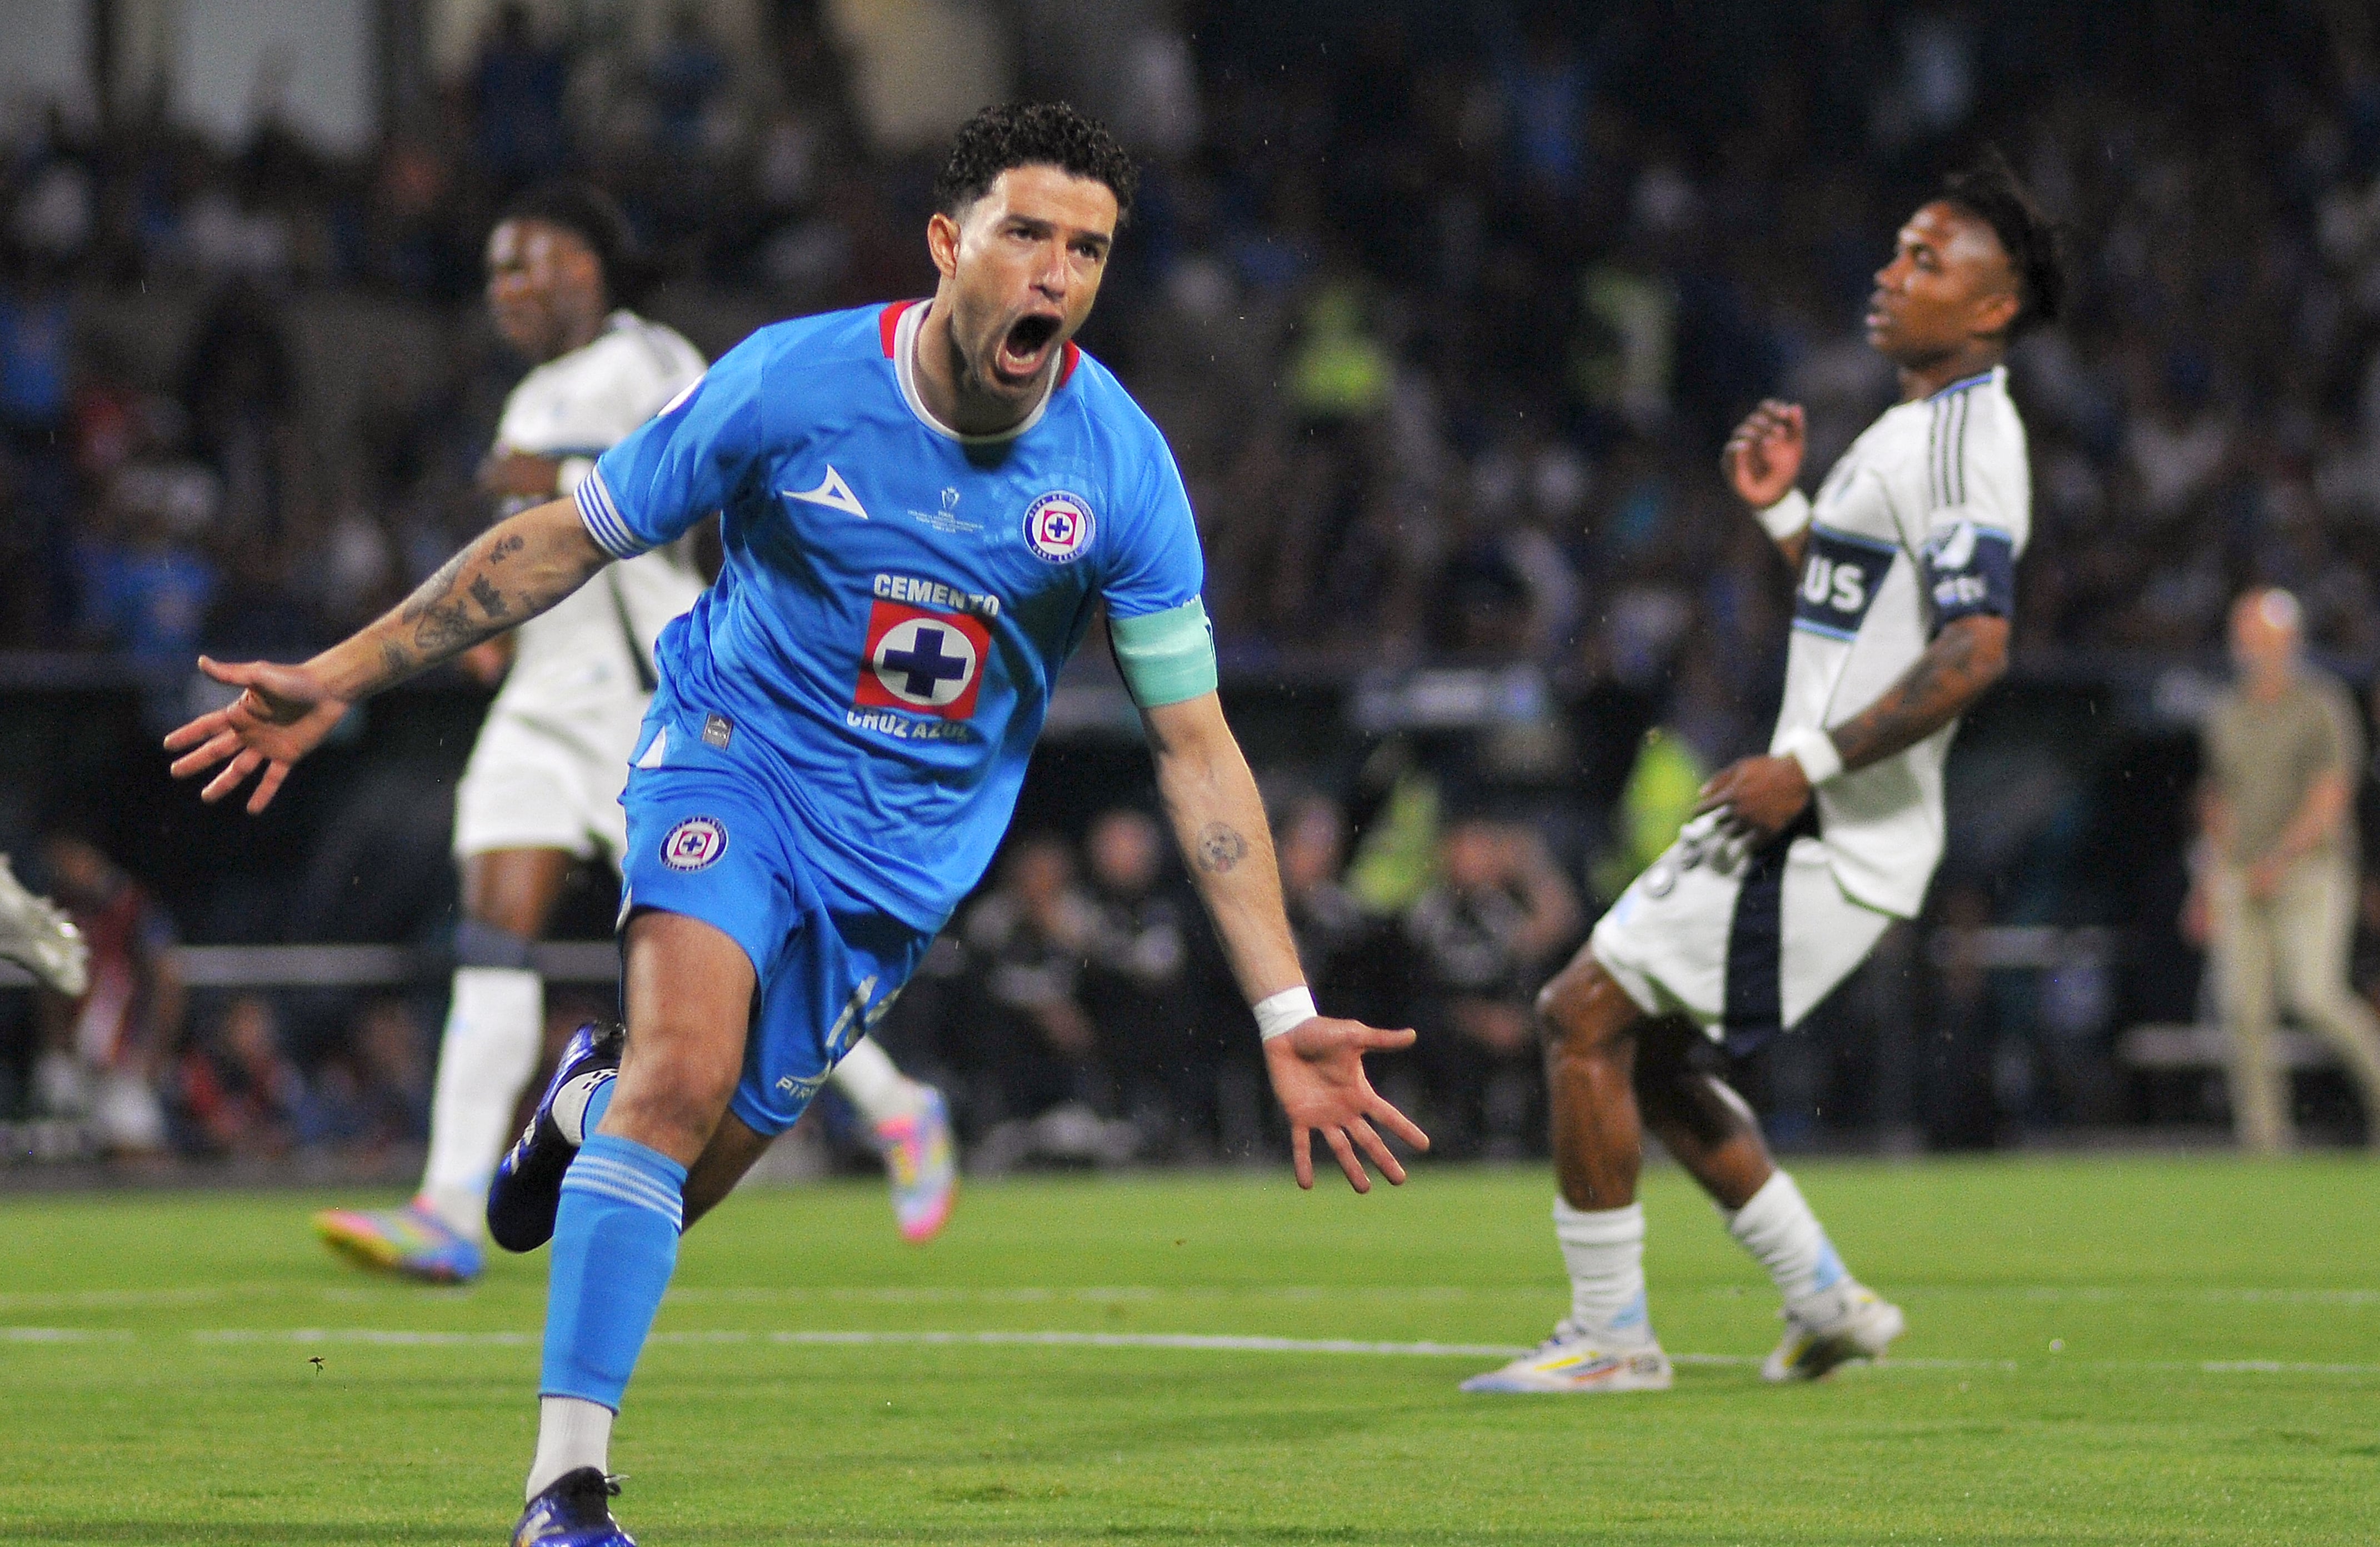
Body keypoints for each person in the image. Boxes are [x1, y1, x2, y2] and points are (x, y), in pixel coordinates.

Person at [164, 103, 1425, 1544]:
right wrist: (333, 676)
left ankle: (579, 1105)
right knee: (680, 1072)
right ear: (951, 245)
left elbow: (1196, 751)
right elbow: (567, 538)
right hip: (731, 764)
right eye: (1027, 235)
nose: (1056, 275)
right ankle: (564, 1493)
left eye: (1087, 250)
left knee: (673, 1174)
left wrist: (1282, 1010)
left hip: (897, 871)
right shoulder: (793, 383)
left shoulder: (1120, 471)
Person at [1465, 149, 2060, 1394]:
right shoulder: (1910, 432)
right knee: (1661, 1057)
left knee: (1579, 1014)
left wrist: (1812, 770)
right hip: (1827, 813)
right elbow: (1869, 622)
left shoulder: (1964, 438)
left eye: (1930, 261)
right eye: (1898, 249)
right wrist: (1790, 518)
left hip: (1822, 821)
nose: (1893, 275)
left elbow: (1978, 645)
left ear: (1995, 307)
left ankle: (1612, 1337)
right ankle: (1826, 1299)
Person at [310, 182, 956, 1289]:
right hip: (542, 702)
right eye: (499, 270)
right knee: (490, 938)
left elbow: (704, 482)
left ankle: (899, 1105)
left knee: (743, 957)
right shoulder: (538, 390)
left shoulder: (646, 357)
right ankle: (451, 1205)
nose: (512, 285)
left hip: (648, 698)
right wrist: (504, 635)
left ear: (595, 266)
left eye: (536, 261)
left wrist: (549, 476)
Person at [2183, 588, 2380, 1152]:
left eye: (2262, 637)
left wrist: (2281, 859)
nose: (2252, 648)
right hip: (2243, 873)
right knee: (2243, 1011)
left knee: (2316, 994)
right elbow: (2217, 799)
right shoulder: (2227, 711)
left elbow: (2330, 796)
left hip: (2311, 870)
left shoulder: (2321, 702)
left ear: (2290, 641)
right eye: (2245, 637)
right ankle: (2264, 1142)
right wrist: (2207, 880)